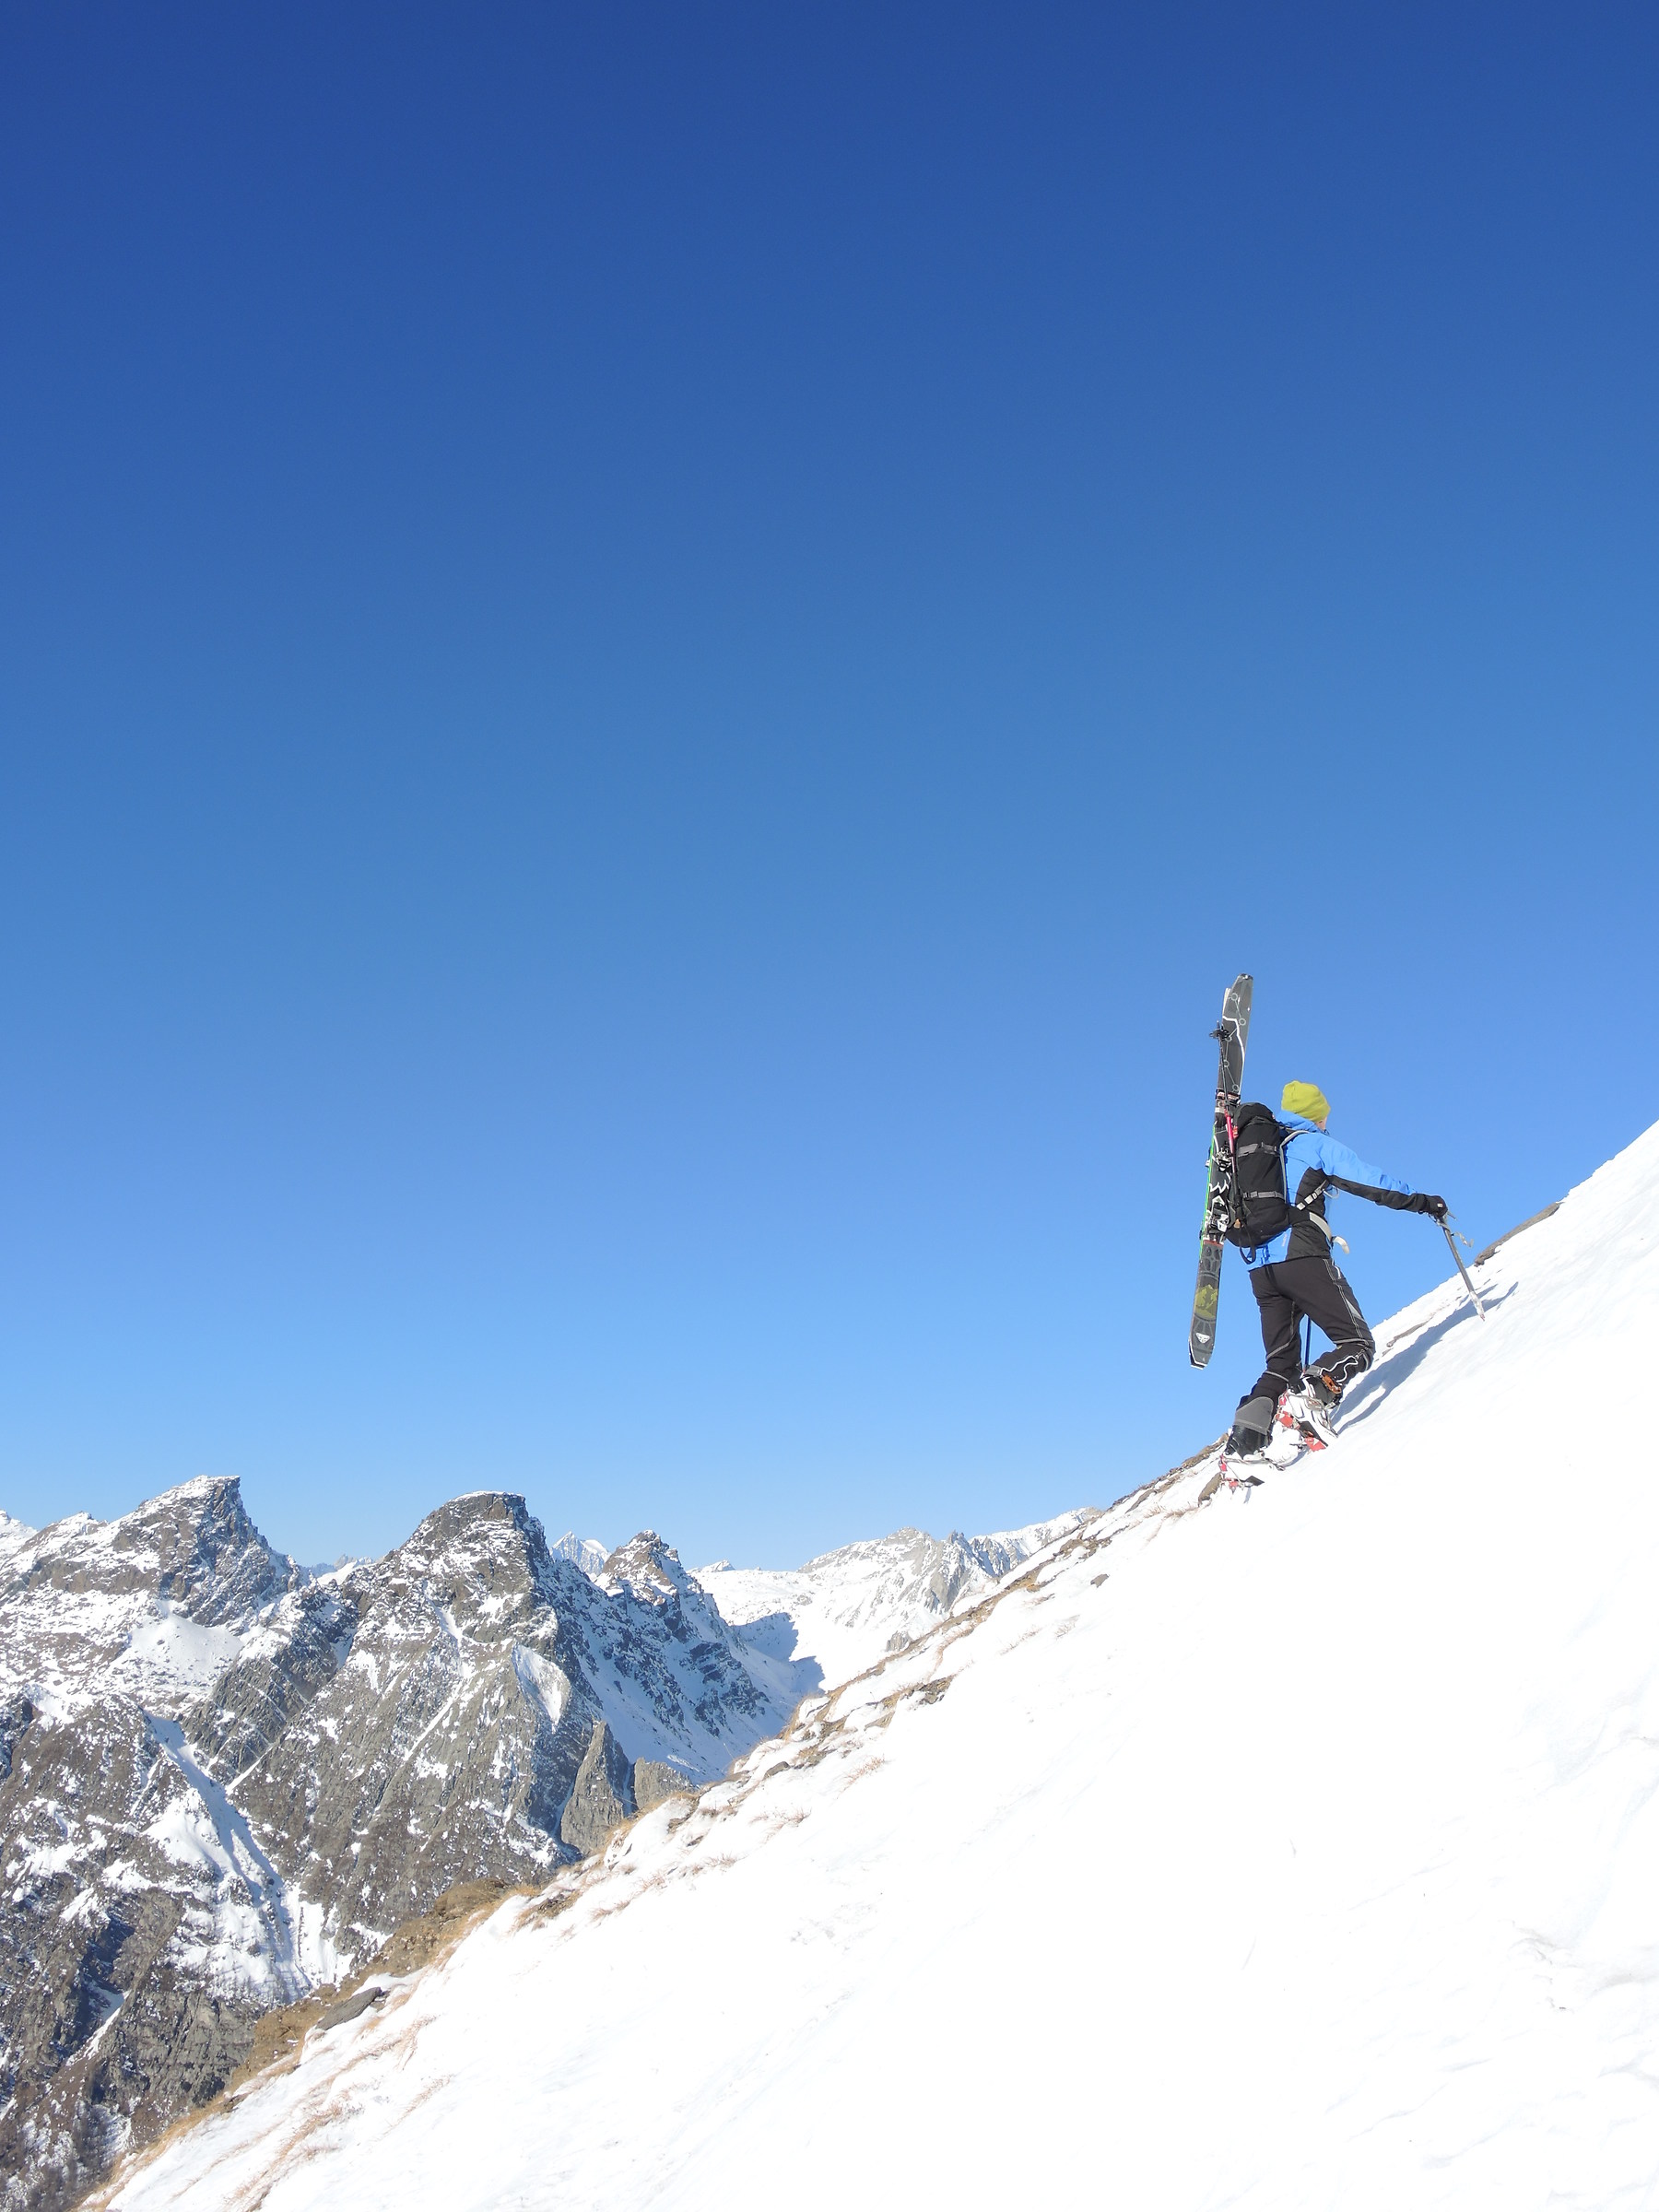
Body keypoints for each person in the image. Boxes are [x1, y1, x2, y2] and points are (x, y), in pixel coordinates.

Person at [1228, 1080, 1446, 1456]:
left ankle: (1242, 1447)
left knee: (1280, 1363)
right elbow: (1373, 1183)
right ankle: (1311, 1394)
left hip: (1260, 1269)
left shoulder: (1255, 1151)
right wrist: (1424, 1202)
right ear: (1318, 1114)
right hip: (1302, 1257)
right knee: (1357, 1343)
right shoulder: (1313, 1143)